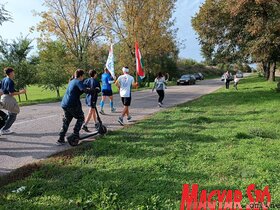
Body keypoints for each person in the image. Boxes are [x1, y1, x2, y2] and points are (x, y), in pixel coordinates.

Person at [57, 69, 91, 145]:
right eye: (83, 76)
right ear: (81, 76)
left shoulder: (72, 81)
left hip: (65, 104)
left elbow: (77, 90)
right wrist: (93, 90)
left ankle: (61, 139)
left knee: (67, 120)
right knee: (81, 118)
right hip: (72, 104)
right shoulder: (78, 81)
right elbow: (84, 90)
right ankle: (75, 135)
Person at [0, 67, 26, 135]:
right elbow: (11, 93)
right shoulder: (10, 81)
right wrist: (21, 92)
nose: (14, 73)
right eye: (13, 72)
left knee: (11, 113)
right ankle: (4, 129)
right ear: (11, 73)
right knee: (14, 113)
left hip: (3, 97)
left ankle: (4, 128)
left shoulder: (3, 79)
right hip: (8, 98)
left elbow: (2, 90)